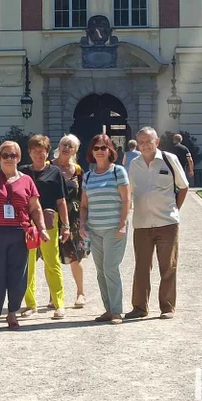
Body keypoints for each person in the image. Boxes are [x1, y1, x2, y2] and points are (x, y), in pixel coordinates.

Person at [0, 140, 48, 330]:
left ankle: (12, 313)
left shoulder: (27, 180)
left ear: (19, 158)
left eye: (13, 155)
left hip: (18, 233)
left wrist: (41, 228)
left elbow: (35, 207)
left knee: (18, 275)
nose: (9, 158)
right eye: (5, 155)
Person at [126, 126, 189, 320]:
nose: (145, 145)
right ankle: (139, 307)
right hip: (142, 223)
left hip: (167, 222)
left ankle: (167, 307)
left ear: (157, 142)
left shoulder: (170, 160)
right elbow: (129, 192)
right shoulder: (134, 164)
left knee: (168, 266)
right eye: (142, 142)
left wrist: (175, 210)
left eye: (149, 141)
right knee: (142, 267)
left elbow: (184, 187)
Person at [79, 134, 131, 324]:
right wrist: (82, 224)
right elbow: (84, 205)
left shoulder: (118, 171)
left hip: (114, 228)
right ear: (91, 152)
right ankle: (108, 309)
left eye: (104, 147)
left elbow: (127, 200)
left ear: (111, 150)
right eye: (96, 148)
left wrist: (123, 223)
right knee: (101, 271)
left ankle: (117, 311)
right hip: (95, 229)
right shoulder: (88, 176)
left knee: (110, 268)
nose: (100, 151)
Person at [20, 134, 70, 320]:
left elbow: (61, 201)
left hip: (48, 222)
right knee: (28, 265)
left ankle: (59, 304)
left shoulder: (55, 172)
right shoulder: (22, 171)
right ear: (29, 153)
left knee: (52, 263)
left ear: (47, 152)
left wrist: (65, 225)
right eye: (35, 151)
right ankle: (30, 304)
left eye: (42, 151)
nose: (38, 155)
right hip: (27, 224)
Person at [52, 134, 86, 308]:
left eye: (70, 146)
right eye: (64, 144)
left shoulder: (78, 170)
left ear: (75, 150)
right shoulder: (48, 167)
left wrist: (83, 219)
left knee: (75, 257)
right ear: (59, 145)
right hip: (52, 217)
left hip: (73, 219)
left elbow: (83, 196)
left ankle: (80, 293)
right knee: (52, 258)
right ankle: (53, 295)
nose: (66, 148)